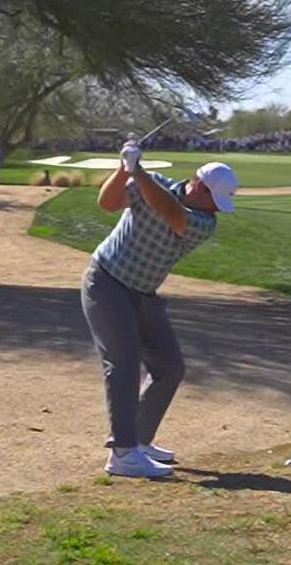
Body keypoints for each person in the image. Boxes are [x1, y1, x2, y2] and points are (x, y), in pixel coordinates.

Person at [80, 140, 238, 479]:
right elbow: (107, 203)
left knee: (169, 367)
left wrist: (138, 172)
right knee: (122, 362)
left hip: (143, 293)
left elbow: (172, 213)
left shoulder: (202, 222)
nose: (215, 209)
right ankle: (123, 453)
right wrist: (124, 169)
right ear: (197, 184)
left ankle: (138, 440)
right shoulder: (153, 185)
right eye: (213, 199)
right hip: (106, 282)